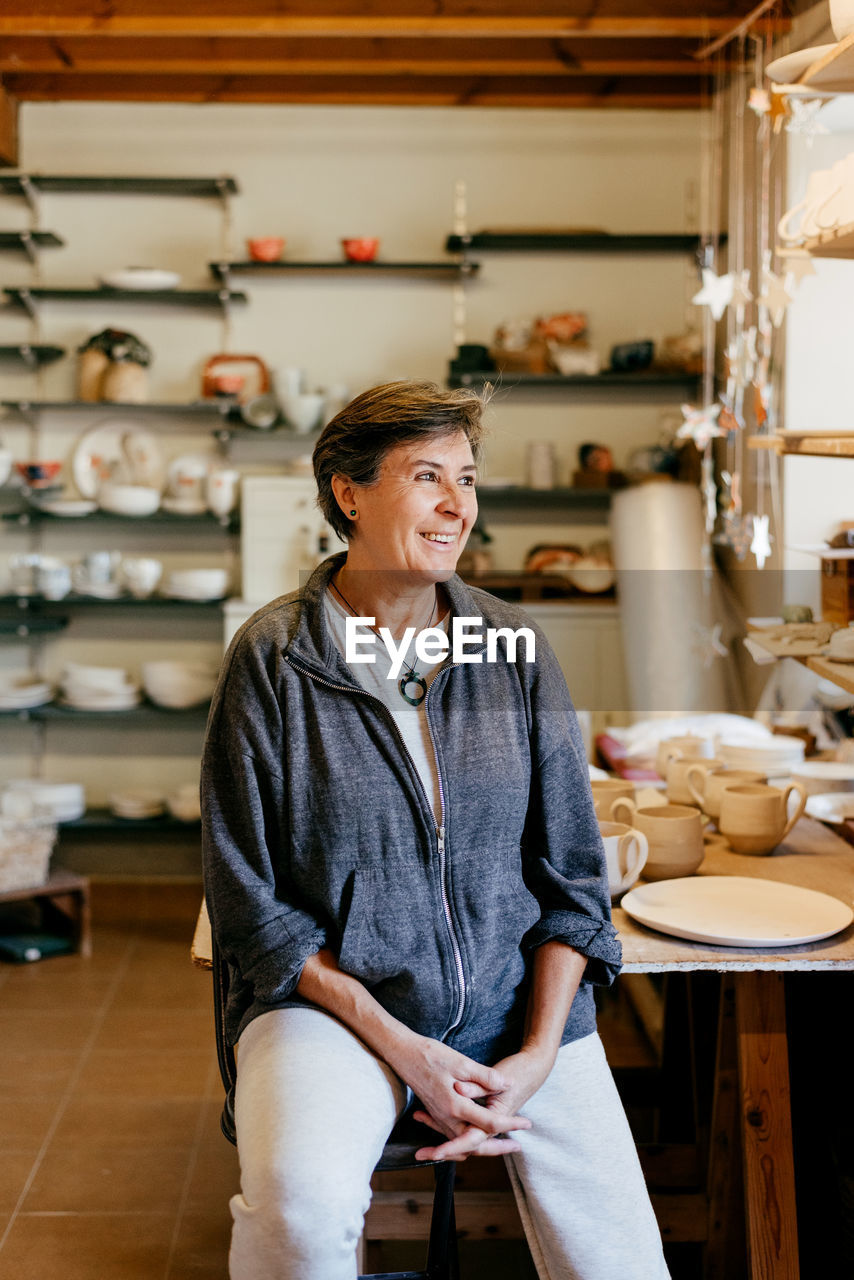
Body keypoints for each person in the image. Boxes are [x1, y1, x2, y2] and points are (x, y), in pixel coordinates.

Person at [201, 380, 669, 1280]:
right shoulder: (275, 657)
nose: (459, 506)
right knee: (299, 1207)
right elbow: (249, 907)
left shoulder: (513, 647)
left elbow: (575, 882)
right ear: (348, 491)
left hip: (516, 1010)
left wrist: (533, 1056)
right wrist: (410, 1053)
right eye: (427, 477)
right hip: (330, 1010)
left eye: (468, 477)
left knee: (623, 1262)